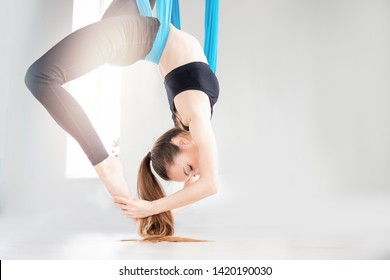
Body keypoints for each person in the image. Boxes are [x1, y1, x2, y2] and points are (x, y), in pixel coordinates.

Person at [25, 0, 219, 240]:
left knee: (39, 78)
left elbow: (208, 184)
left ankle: (106, 164)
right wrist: (156, 211)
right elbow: (207, 184)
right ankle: (107, 166)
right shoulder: (195, 119)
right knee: (41, 75)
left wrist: (152, 209)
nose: (197, 172)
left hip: (135, 36)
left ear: (181, 141)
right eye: (190, 172)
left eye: (189, 170)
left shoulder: (192, 119)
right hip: (138, 31)